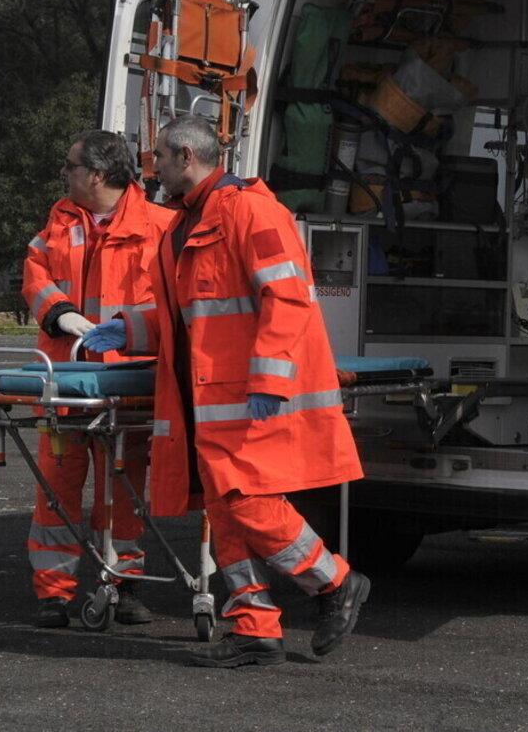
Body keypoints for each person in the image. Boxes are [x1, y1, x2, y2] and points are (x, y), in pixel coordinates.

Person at [83, 114, 368, 668]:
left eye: (160, 158)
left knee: (248, 504)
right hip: (209, 405)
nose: (154, 169)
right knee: (225, 512)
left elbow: (286, 297)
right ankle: (254, 630)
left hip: (247, 398)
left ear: (187, 157)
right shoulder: (184, 225)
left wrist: (268, 379)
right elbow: (186, 317)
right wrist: (131, 327)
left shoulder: (250, 210)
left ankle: (336, 583)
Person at [22, 129, 173, 628]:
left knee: (122, 493)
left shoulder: (161, 227)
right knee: (55, 491)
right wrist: (61, 314)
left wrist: (125, 333)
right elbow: (35, 274)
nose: (63, 173)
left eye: (70, 165)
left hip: (126, 384)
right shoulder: (61, 218)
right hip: (63, 381)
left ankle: (122, 584)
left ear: (99, 174)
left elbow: (173, 305)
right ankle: (53, 594)